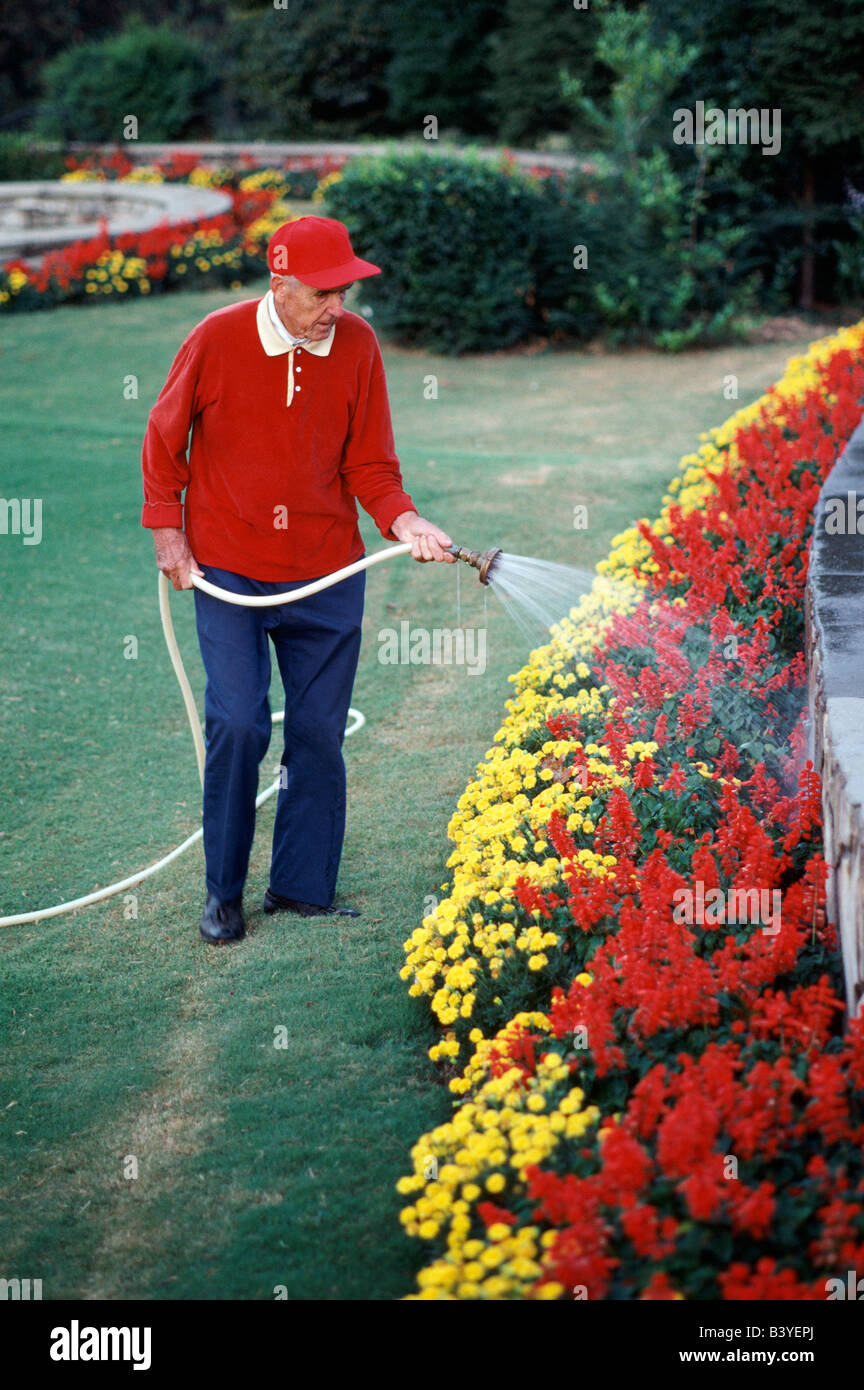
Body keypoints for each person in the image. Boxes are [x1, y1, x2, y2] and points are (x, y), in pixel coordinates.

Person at [141, 215, 455, 945]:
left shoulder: (358, 345)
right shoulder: (217, 337)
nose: (335, 307)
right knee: (240, 722)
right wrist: (168, 531)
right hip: (231, 572)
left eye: (342, 291)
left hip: (327, 572)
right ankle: (223, 894)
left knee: (316, 734)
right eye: (320, 293)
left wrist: (404, 522)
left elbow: (370, 464)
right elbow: (164, 436)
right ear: (278, 284)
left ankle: (302, 889)